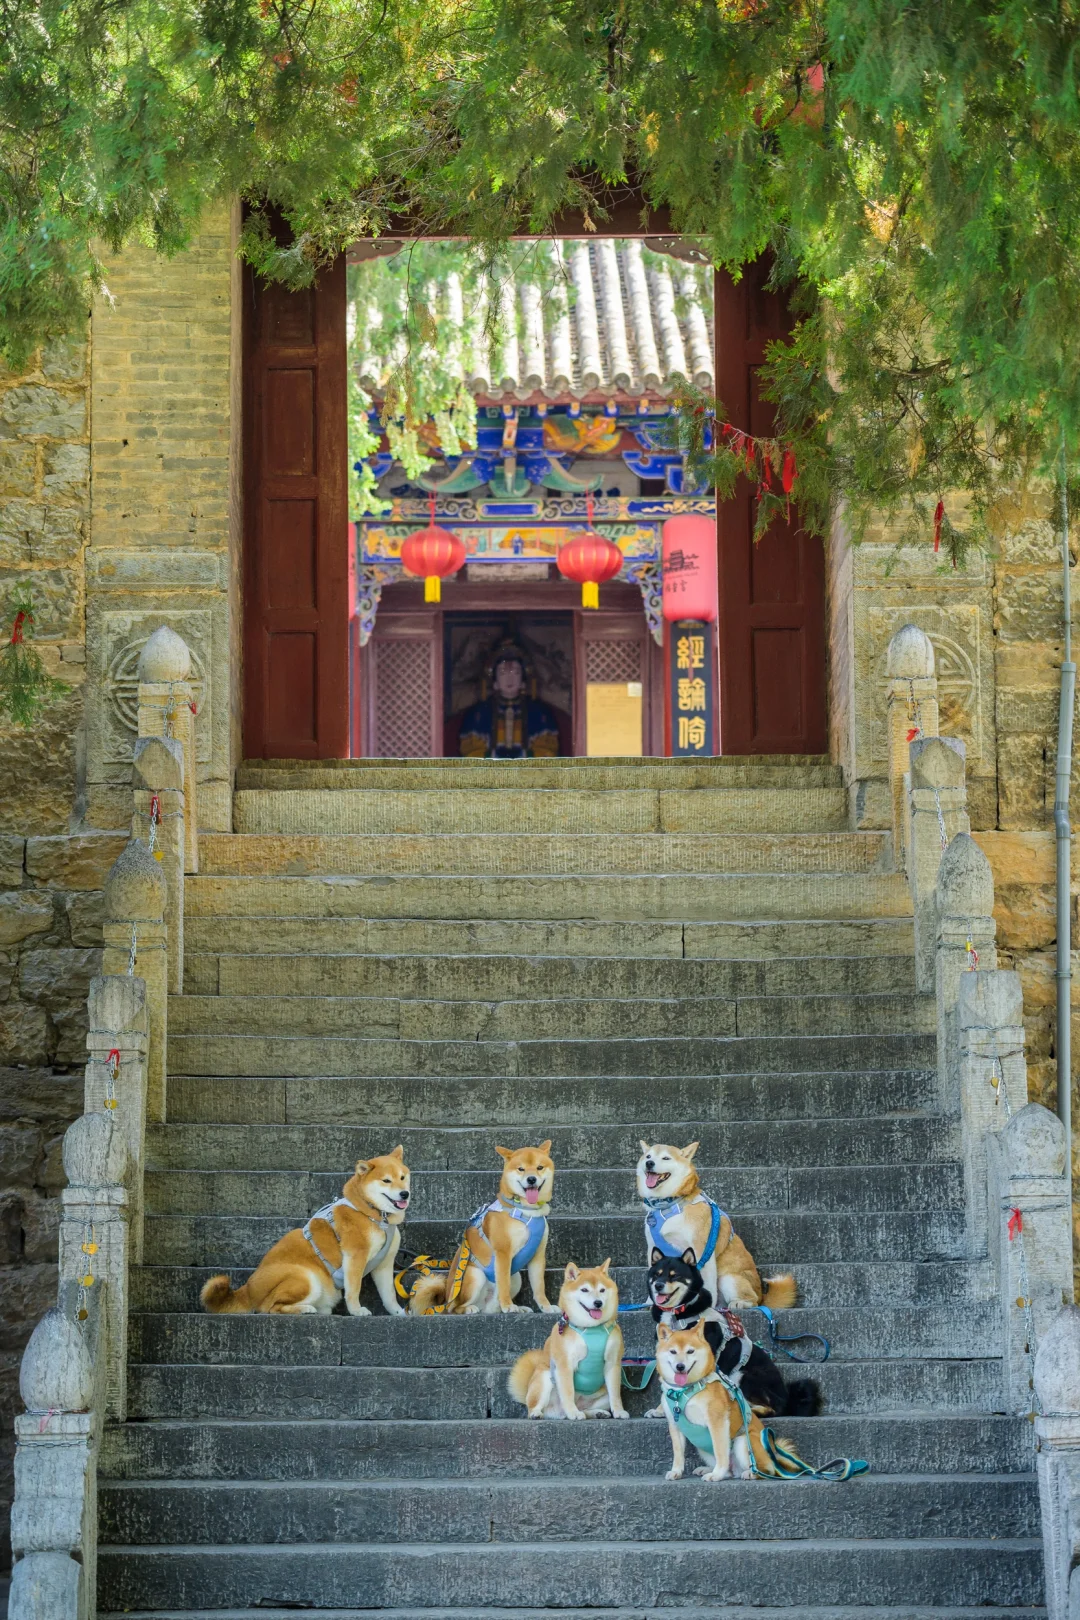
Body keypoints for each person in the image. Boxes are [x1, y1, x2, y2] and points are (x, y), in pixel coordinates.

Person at [458, 644, 560, 758]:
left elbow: (548, 751)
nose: (509, 678)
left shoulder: (540, 712)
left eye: (515, 672)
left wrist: (523, 756)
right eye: (502, 673)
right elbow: (470, 752)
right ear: (495, 683)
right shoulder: (478, 713)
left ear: (523, 682)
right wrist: (494, 757)